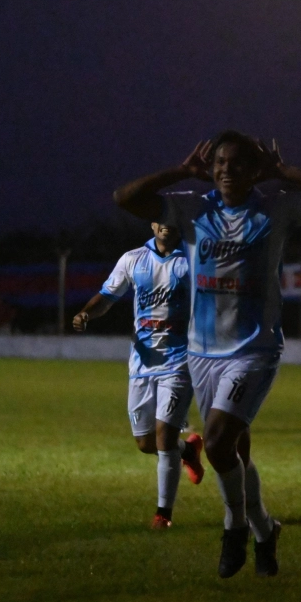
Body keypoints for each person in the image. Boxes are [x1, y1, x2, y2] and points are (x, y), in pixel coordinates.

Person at [114, 130, 301, 578]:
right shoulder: (193, 208)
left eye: (237, 163)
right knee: (236, 453)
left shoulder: (275, 208)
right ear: (210, 168)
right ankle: (265, 529)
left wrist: (284, 171)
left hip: (253, 350)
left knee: (218, 443)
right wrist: (179, 171)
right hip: (201, 353)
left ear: (254, 170)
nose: (226, 170)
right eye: (219, 163)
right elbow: (124, 197)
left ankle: (234, 526)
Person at [71, 222, 206, 530]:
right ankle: (189, 450)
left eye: (171, 218)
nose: (165, 224)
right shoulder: (133, 259)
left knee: (164, 436)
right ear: (153, 223)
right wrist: (86, 313)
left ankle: (163, 515)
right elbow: (107, 296)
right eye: (160, 218)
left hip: (180, 361)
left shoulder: (192, 260)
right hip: (142, 364)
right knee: (145, 443)